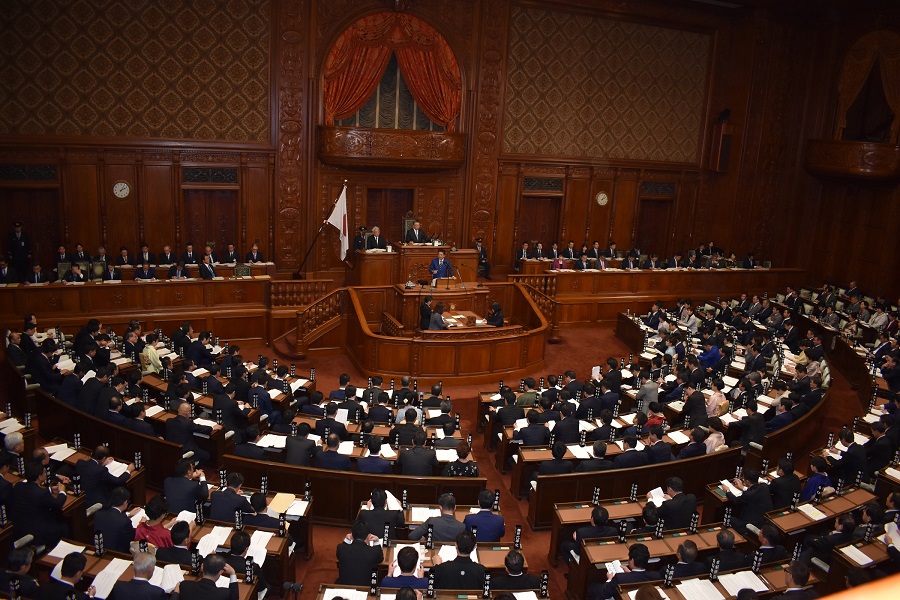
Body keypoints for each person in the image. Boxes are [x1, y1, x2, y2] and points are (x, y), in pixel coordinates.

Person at [11, 461, 69, 548]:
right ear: (39, 476)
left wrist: (50, 489)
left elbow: (34, 493)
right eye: (44, 472)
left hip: (19, 529)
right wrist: (62, 492)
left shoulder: (18, 486)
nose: (46, 474)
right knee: (64, 526)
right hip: (37, 533)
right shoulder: (42, 493)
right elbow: (57, 504)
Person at [590, 543, 658, 600]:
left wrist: (609, 579)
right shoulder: (655, 576)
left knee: (592, 587)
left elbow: (605, 594)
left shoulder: (620, 578)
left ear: (632, 560)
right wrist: (630, 573)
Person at [75, 445, 134, 509]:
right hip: (96, 501)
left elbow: (92, 470)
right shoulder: (101, 470)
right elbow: (118, 481)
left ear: (92, 454)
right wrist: (128, 470)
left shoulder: (80, 463)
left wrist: (101, 463)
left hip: (82, 498)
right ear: (103, 458)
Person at [93, 486, 138, 553]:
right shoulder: (125, 521)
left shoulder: (98, 514)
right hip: (117, 553)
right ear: (125, 502)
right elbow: (131, 539)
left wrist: (128, 514)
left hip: (100, 550)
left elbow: (112, 518)